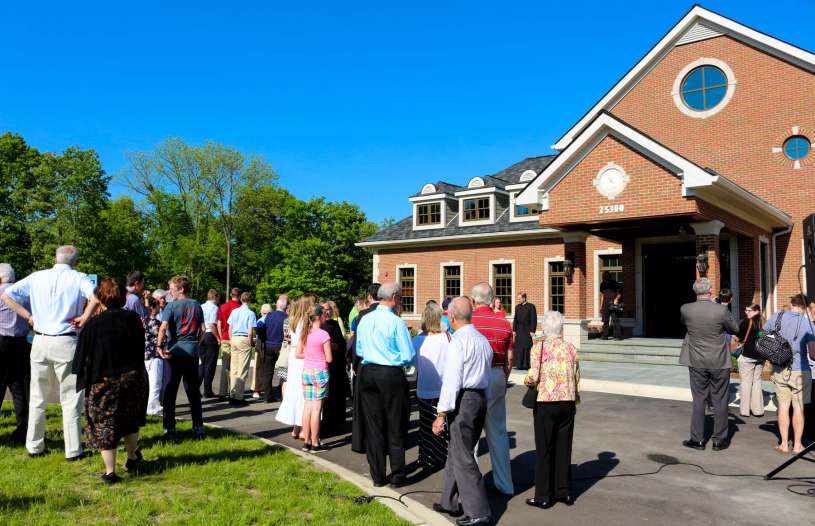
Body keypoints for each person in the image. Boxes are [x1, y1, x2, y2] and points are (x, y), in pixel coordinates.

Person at [1, 245, 97, 460]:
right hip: (66, 341)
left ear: (55, 258)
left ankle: (34, 446)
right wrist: (85, 317)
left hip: (40, 340)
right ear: (75, 261)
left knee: (37, 396)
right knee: (70, 398)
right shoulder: (79, 277)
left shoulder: (37, 276)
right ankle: (72, 450)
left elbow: (7, 295)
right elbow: (96, 297)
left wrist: (28, 316)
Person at [72, 278, 148, 484]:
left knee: (105, 422)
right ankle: (132, 458)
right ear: (123, 297)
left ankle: (110, 471)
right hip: (133, 376)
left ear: (100, 298)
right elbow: (141, 346)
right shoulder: (133, 318)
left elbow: (80, 358)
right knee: (131, 417)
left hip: (104, 379)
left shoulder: (94, 324)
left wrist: (80, 376)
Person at [432, 297, 493, 526]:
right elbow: (486, 376)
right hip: (479, 398)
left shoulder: (458, 341)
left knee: (463, 456)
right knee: (457, 451)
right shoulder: (481, 340)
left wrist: (441, 414)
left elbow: (451, 380)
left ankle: (478, 511)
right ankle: (449, 500)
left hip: (464, 399)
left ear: (452, 316)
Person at [355, 282, 415, 487]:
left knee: (374, 426)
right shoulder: (396, 322)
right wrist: (396, 358)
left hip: (368, 372)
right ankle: (397, 474)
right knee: (395, 423)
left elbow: (360, 350)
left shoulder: (364, 319)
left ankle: (377, 475)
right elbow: (408, 355)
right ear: (395, 297)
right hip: (389, 373)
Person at [524, 310, 580, 509]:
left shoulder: (538, 348)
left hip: (546, 400)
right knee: (564, 447)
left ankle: (543, 495)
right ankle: (563, 491)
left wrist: (527, 380)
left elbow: (533, 375)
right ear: (561, 328)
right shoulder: (571, 348)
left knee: (544, 448)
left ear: (545, 328)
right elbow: (576, 375)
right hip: (567, 400)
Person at [679, 278, 739, 451]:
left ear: (695, 292)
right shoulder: (721, 310)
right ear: (710, 291)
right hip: (718, 360)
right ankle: (719, 440)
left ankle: (697, 439)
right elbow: (734, 329)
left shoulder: (686, 309)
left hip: (696, 360)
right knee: (720, 400)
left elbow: (685, 323)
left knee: (699, 400)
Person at [470, 283, 514, 497]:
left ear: (473, 300)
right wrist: (504, 379)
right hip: (496, 373)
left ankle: (472, 485)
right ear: (491, 299)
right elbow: (509, 358)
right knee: (497, 431)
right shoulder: (503, 323)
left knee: (471, 432)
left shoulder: (468, 322)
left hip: (474, 375)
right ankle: (505, 483)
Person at [156, 276, 205, 439]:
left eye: (172, 289)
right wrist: (197, 343)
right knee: (193, 391)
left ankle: (169, 428)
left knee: (170, 390)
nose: (170, 292)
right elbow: (203, 329)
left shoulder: (171, 306)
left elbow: (162, 328)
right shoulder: (197, 305)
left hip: (174, 352)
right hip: (191, 352)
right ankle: (198, 427)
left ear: (181, 289)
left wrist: (159, 346)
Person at [765, 294, 814, 454]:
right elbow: (813, 354)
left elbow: (761, 335)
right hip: (800, 369)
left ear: (792, 304)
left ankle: (784, 444)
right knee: (798, 408)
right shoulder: (807, 322)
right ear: (805, 308)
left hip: (780, 368)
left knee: (783, 406)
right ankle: (798, 445)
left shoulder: (776, 317)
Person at [414, 302, 450, 472]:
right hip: (442, 389)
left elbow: (413, 363)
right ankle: (440, 457)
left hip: (424, 388)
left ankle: (425, 456)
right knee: (441, 426)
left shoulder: (418, 340)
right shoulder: (447, 338)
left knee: (424, 425)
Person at [277, 295, 318, 438]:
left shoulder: (292, 320)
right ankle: (302, 429)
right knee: (303, 392)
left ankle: (295, 428)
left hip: (292, 356)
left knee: (293, 390)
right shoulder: (306, 323)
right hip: (303, 356)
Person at [0, 263, 31, 443]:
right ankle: (22, 428)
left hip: (2, 341)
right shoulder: (23, 293)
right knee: (20, 388)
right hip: (21, 342)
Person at [350, 282, 381, 453]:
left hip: (365, 363)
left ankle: (361, 441)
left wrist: (354, 363)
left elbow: (356, 342)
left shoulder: (362, 316)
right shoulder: (391, 314)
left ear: (369, 297)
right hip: (385, 366)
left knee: (363, 406)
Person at [297, 304, 333, 452]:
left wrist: (310, 355)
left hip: (307, 372)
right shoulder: (323, 335)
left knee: (307, 407)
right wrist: (319, 356)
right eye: (324, 314)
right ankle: (315, 443)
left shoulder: (305, 333)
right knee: (316, 409)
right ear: (318, 317)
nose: (326, 316)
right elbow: (329, 358)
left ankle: (306, 441)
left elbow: (298, 353)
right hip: (319, 372)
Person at [321, 300, 351, 435]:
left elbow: (340, 343)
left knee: (338, 396)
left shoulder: (333, 324)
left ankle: (337, 423)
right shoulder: (319, 327)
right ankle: (326, 426)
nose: (327, 312)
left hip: (338, 365)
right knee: (327, 398)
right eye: (324, 310)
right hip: (326, 365)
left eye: (329, 310)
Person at [734, 303, 765, 417]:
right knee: (756, 381)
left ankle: (745, 410)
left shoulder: (747, 322)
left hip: (747, 355)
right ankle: (758, 410)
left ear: (757, 311)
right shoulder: (764, 322)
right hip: (761, 356)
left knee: (746, 382)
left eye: (749, 310)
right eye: (746, 310)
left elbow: (739, 336)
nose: (746, 312)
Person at [226, 292, 257, 406]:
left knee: (234, 368)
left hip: (234, 338)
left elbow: (230, 327)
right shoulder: (251, 313)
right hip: (244, 338)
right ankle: (239, 396)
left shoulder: (235, 311)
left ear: (241, 299)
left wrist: (231, 339)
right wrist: (250, 343)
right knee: (242, 369)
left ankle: (232, 394)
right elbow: (250, 331)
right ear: (249, 300)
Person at [262, 295, 288, 403]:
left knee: (268, 372)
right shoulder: (286, 317)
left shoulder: (269, 315)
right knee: (283, 371)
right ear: (285, 306)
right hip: (280, 346)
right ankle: (283, 395)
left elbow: (264, 329)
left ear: (276, 305)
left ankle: (267, 396)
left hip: (268, 345)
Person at [217, 288, 241, 397]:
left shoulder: (223, 307)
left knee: (225, 366)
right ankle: (233, 391)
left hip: (226, 337)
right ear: (239, 296)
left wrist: (221, 337)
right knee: (235, 366)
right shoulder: (240, 308)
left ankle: (222, 392)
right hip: (236, 338)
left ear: (231, 295)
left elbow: (219, 323)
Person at [143, 296, 164, 416]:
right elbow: (161, 336)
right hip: (155, 354)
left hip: (145, 354)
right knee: (155, 382)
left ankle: (148, 405)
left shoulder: (143, 321)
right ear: (153, 308)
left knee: (148, 383)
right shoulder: (155, 322)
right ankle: (152, 407)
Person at [199, 289, 221, 398]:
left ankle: (196, 387)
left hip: (201, 335)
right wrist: (218, 338)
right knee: (210, 364)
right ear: (215, 297)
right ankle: (207, 390)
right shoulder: (214, 308)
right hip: (210, 335)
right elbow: (212, 325)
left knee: (202, 363)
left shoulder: (201, 306)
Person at [251, 303, 272, 399]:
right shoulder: (260, 322)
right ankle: (257, 389)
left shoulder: (260, 321)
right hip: (262, 346)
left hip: (263, 346)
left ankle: (259, 389)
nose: (265, 315)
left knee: (262, 369)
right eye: (264, 313)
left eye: (267, 313)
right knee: (260, 368)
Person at [513, 292, 537, 370]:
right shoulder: (517, 307)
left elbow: (534, 319)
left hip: (527, 330)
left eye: (519, 298)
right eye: (518, 298)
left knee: (526, 347)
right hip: (519, 330)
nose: (518, 300)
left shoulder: (531, 306)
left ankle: (526, 365)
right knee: (519, 347)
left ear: (524, 298)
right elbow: (515, 319)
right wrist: (514, 330)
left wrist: (532, 331)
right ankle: (519, 364)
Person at [599, 272, 620, 340]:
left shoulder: (614, 283)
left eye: (606, 276)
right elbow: (602, 295)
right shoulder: (602, 284)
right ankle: (605, 336)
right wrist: (601, 306)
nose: (605, 277)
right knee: (605, 320)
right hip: (605, 303)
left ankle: (617, 336)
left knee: (615, 319)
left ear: (609, 276)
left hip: (613, 303)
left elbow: (619, 293)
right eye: (604, 276)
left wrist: (616, 299)